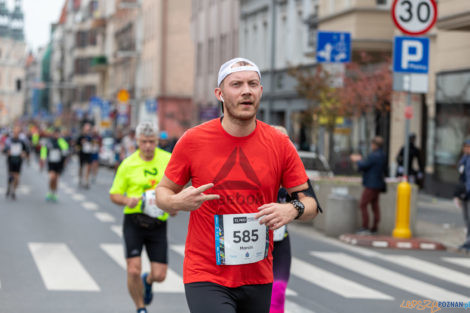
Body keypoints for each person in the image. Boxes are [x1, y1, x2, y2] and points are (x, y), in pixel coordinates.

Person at [155, 57, 320, 313]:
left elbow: (311, 203)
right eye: (237, 84)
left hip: (258, 274)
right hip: (206, 273)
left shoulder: (279, 143)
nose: (246, 90)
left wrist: (291, 209)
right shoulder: (193, 140)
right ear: (219, 94)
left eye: (253, 84)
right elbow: (162, 193)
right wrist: (177, 201)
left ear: (260, 92)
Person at [109, 121, 173, 313]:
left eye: (151, 141)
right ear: (137, 141)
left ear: (157, 141)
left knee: (160, 275)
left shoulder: (168, 160)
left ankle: (148, 280)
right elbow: (114, 194)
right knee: (133, 269)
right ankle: (140, 308)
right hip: (134, 221)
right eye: (144, 141)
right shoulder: (128, 164)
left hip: (158, 222)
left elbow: (177, 188)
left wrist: (174, 204)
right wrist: (127, 200)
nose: (147, 146)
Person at [350, 136, 387, 235]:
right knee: (375, 206)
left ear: (375, 145)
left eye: (372, 144)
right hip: (378, 184)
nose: (371, 146)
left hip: (371, 184)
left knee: (363, 204)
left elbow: (363, 165)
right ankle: (374, 227)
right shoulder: (383, 155)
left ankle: (365, 227)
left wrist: (357, 160)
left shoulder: (374, 156)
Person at [40, 127, 68, 202]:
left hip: (59, 163)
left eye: (57, 134)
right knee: (52, 177)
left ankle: (54, 193)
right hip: (51, 162)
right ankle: (50, 192)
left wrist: (65, 161)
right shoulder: (49, 142)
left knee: (56, 179)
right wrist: (43, 158)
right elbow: (44, 149)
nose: (56, 135)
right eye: (55, 133)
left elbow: (65, 152)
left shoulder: (62, 142)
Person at [3, 126, 29, 200]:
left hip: (18, 161)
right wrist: (7, 152)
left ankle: (13, 191)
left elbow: (27, 151)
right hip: (11, 160)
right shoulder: (9, 141)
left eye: (17, 132)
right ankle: (9, 187)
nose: (16, 134)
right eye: (15, 132)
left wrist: (24, 154)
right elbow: (4, 150)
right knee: (11, 176)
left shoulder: (22, 142)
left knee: (17, 177)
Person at [455, 139, 470, 251]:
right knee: (466, 218)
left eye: (468, 147)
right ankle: (467, 240)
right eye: (465, 147)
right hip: (464, 192)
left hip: (468, 191)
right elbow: (461, 177)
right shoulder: (464, 159)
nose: (466, 149)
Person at [76, 123, 94, 188]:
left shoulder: (90, 137)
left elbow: (93, 145)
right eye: (86, 129)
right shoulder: (80, 137)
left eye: (88, 129)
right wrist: (81, 145)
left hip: (88, 154)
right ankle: (80, 178)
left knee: (88, 167)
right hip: (82, 154)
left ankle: (86, 181)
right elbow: (77, 146)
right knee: (81, 167)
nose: (87, 131)